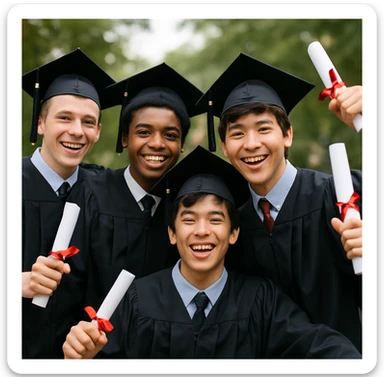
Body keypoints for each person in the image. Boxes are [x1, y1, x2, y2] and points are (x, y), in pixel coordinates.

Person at [62, 158, 361, 359]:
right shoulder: (136, 300)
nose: (202, 232)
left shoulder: (262, 301)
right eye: (189, 220)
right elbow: (94, 355)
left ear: (234, 233)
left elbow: (318, 345)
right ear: (171, 233)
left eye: (216, 219)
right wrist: (79, 355)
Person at [194, 52, 362, 353]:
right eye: (237, 133)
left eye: (263, 128)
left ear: (287, 135)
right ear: (224, 147)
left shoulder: (346, 194)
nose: (251, 144)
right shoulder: (232, 229)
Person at [60, 63, 206, 340]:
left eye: (170, 135)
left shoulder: (187, 206)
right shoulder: (91, 194)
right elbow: (67, 288)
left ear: (182, 144)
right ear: (125, 138)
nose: (157, 143)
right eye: (143, 132)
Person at [21, 48, 116, 358]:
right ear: (40, 123)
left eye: (88, 122)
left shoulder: (104, 191)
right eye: (64, 118)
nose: (77, 131)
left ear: (98, 132)